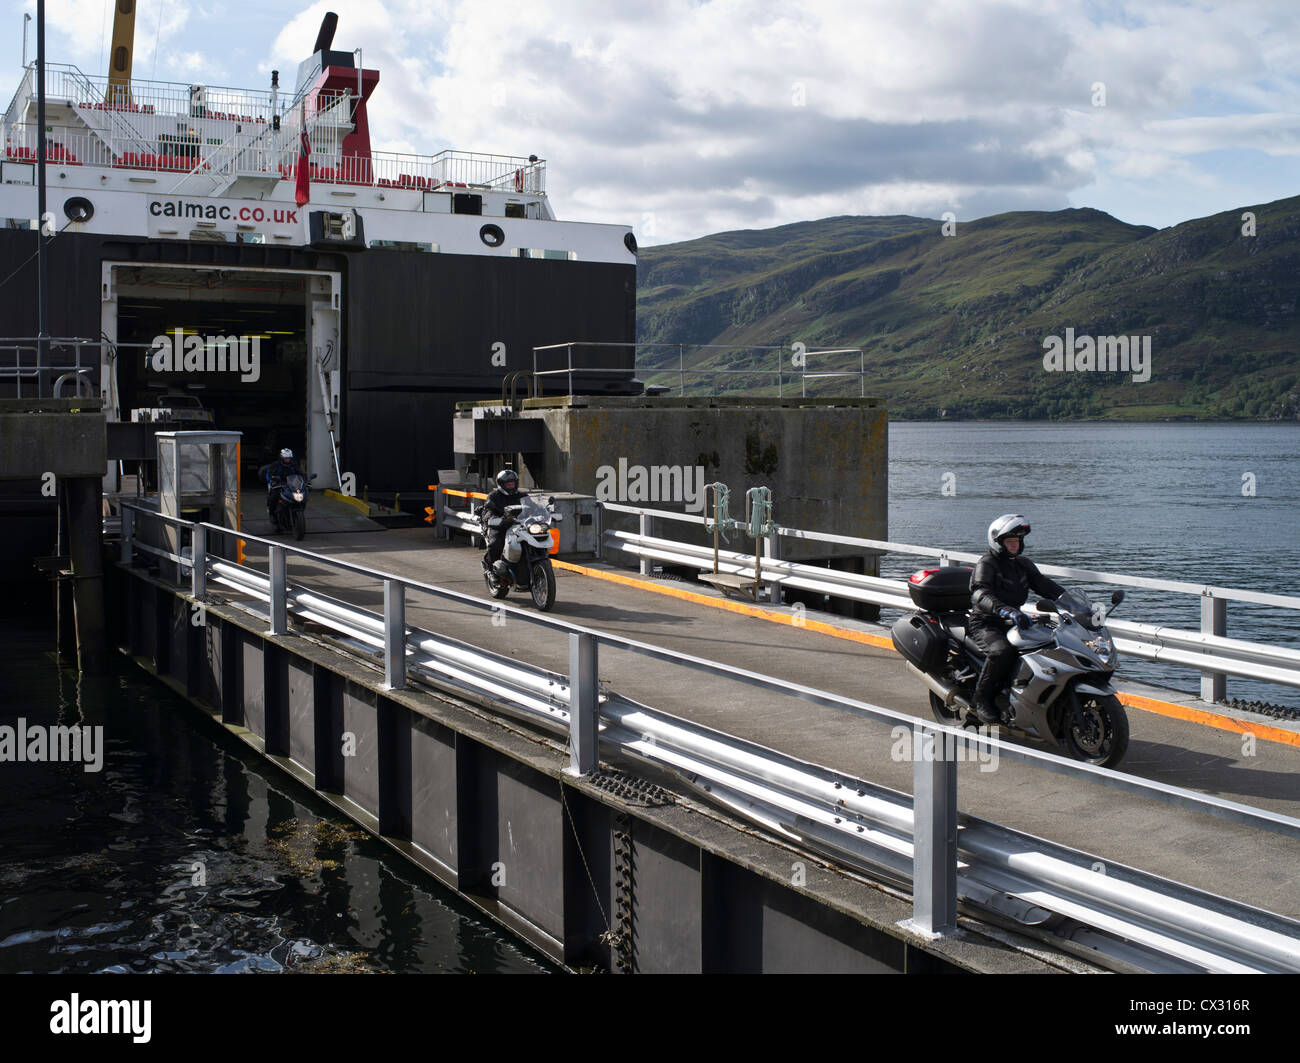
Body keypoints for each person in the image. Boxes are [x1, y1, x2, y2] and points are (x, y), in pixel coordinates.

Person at [967, 513, 1064, 725]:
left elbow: (1044, 585)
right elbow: (980, 593)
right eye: (1010, 541)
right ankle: (981, 699)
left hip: (1014, 621)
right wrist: (1005, 611)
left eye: (1017, 541)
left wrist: (1071, 601)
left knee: (1045, 647)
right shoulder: (987, 563)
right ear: (998, 541)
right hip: (986, 622)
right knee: (1002, 651)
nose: (1014, 545)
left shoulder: (1023, 564)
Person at [481, 468, 524, 577]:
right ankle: (491, 570)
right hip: (500, 526)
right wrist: (496, 519)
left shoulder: (522, 495)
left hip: (519, 525)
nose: (511, 486)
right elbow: (488, 512)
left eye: (512, 484)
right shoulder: (493, 496)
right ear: (501, 484)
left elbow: (533, 508)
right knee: (495, 544)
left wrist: (543, 512)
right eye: (508, 484)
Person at [258, 448, 298, 522]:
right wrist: (271, 480)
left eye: (289, 458)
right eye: (286, 458)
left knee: (298, 496)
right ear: (282, 458)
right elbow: (268, 474)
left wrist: (305, 481)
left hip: (290, 484)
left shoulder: (293, 464)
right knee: (273, 497)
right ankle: (272, 514)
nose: (287, 459)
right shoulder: (276, 464)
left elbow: (300, 473)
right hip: (277, 484)